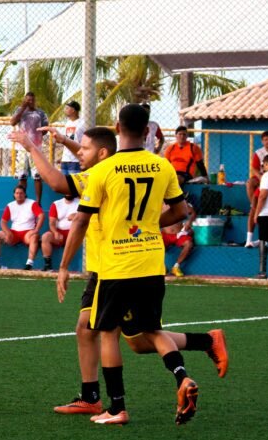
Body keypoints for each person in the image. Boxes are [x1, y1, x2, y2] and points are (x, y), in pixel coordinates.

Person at [12, 124, 227, 420]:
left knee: (117, 334)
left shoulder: (100, 175)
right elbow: (97, 156)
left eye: (84, 149)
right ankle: (203, 344)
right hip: (127, 264)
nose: (79, 153)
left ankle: (112, 404)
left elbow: (58, 182)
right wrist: (68, 142)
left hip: (112, 268)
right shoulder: (131, 167)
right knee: (123, 336)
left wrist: (31, 146)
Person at [58, 103, 201, 426]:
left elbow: (81, 220)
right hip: (152, 262)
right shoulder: (162, 165)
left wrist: (64, 266)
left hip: (116, 265)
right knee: (151, 330)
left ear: (118, 128)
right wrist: (150, 226)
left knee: (107, 332)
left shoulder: (104, 170)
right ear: (148, 130)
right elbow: (181, 213)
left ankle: (116, 407)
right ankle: (182, 377)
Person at [0, 185, 44, 270]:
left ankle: (29, 264)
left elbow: (41, 216)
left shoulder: (32, 203)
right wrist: (7, 232)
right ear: (14, 195)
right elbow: (3, 221)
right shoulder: (10, 205)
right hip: (13, 233)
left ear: (25, 194)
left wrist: (36, 230)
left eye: (21, 193)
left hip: (28, 232)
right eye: (17, 193)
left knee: (34, 237)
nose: (19, 195)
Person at [11, 91, 49, 203]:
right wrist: (23, 108)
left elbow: (45, 128)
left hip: (36, 148)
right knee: (22, 176)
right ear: (24, 100)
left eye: (32, 100)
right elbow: (12, 122)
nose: (29, 102)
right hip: (22, 148)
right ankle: (21, 199)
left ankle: (38, 201)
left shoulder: (41, 113)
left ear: (35, 100)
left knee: (37, 175)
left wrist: (36, 136)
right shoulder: (19, 111)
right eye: (27, 100)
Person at [40, 194, 78, 271]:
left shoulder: (80, 203)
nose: (68, 193)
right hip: (60, 233)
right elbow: (52, 222)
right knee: (45, 236)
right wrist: (55, 232)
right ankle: (48, 265)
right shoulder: (56, 204)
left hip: (76, 233)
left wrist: (77, 215)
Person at [163, 197, 197, 277]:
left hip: (179, 234)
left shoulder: (179, 203)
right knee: (154, 244)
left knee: (188, 244)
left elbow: (192, 213)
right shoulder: (156, 204)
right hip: (165, 234)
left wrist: (189, 222)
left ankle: (176, 267)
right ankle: (162, 267)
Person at [58, 100, 85, 175]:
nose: (65, 110)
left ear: (73, 110)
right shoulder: (68, 123)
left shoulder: (83, 123)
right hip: (65, 160)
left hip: (76, 160)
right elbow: (68, 140)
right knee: (65, 184)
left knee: (74, 184)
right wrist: (62, 157)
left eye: (67, 108)